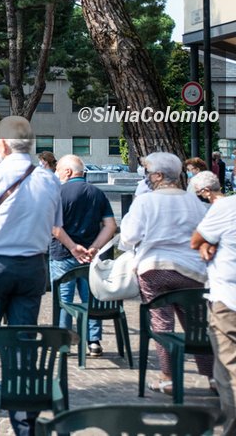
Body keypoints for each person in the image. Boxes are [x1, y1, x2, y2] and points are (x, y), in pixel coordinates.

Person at [0, 116, 64, 436]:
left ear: (2, 144)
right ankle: (24, 427)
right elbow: (54, 224)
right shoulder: (48, 179)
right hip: (33, 267)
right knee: (22, 348)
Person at [121, 152, 212, 395]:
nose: (146, 176)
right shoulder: (193, 201)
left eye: (148, 171)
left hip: (154, 268)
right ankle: (213, 377)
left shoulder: (145, 201)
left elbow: (129, 236)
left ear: (158, 175)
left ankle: (168, 376)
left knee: (161, 323)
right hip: (191, 270)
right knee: (197, 325)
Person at [50, 155, 117, 358]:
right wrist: (95, 247)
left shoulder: (58, 193)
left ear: (68, 172)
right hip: (90, 256)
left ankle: (64, 341)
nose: (56, 174)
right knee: (90, 299)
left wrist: (72, 247)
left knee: (63, 300)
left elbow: (55, 227)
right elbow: (110, 225)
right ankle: (93, 341)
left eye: (59, 170)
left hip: (62, 253)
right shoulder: (97, 193)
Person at [192, 190, 236, 432]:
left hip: (229, 300)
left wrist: (209, 242)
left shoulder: (227, 207)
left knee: (229, 369)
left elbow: (196, 240)